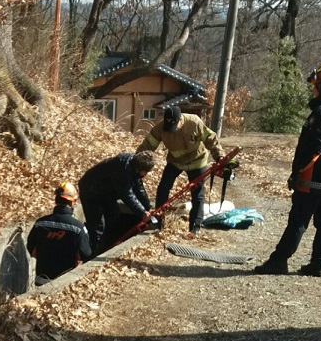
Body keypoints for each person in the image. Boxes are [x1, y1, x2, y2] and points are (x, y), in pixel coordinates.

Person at [254, 62, 321, 277]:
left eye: (316, 85)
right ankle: (318, 264)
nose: (314, 89)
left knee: (298, 220)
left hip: (314, 177)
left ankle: (278, 261)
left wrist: (297, 173)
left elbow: (312, 150)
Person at [137, 105, 225, 237]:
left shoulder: (193, 122)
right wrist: (137, 162)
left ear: (180, 120)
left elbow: (210, 139)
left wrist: (220, 156)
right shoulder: (161, 128)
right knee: (163, 188)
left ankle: (194, 228)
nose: (171, 130)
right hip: (175, 162)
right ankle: (159, 221)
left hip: (197, 162)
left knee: (197, 195)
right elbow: (147, 145)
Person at [78, 151, 156, 254]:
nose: (145, 174)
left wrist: (147, 208)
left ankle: (106, 244)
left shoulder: (133, 165)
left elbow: (139, 188)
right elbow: (127, 195)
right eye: (146, 172)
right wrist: (142, 212)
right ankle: (92, 253)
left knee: (113, 215)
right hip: (91, 192)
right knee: (97, 226)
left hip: (106, 193)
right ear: (141, 169)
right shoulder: (122, 169)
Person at [27, 182, 92, 286]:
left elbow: (32, 249)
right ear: (71, 203)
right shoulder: (78, 228)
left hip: (42, 281)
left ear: (56, 199)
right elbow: (86, 254)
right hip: (66, 282)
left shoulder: (40, 224)